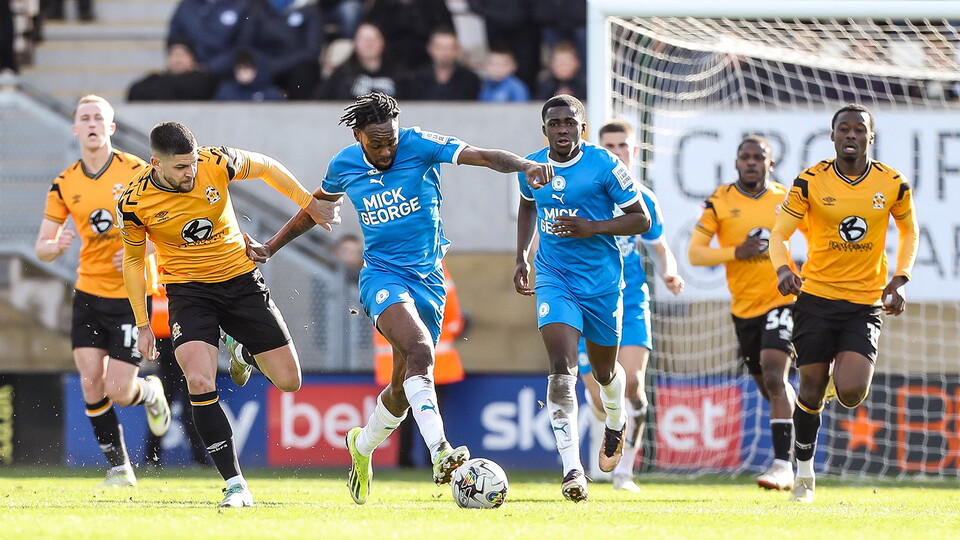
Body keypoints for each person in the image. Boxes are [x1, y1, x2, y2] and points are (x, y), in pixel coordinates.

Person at [243, 92, 552, 505]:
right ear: (358, 136)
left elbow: (482, 156)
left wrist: (526, 164)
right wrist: (271, 246)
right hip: (381, 277)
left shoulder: (420, 144)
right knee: (422, 348)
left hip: (429, 281)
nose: (387, 149)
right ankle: (441, 451)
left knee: (402, 389)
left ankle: (363, 445)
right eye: (376, 143)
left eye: (391, 140)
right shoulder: (344, 165)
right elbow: (314, 210)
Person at [116, 121, 340, 507]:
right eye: (181, 167)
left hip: (240, 281)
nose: (191, 172)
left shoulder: (216, 161)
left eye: (192, 163)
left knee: (289, 381)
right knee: (199, 378)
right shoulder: (133, 202)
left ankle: (240, 350)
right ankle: (235, 484)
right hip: (188, 292)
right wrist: (141, 323)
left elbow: (266, 166)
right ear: (156, 164)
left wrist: (309, 201)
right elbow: (134, 263)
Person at [769, 103, 919, 503]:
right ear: (833, 135)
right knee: (812, 391)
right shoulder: (810, 181)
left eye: (859, 130)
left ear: (871, 137)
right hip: (815, 297)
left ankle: (839, 382)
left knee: (851, 392)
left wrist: (900, 279)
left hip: (865, 301)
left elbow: (909, 232)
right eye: (843, 129)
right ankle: (803, 474)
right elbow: (779, 234)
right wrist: (784, 269)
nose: (851, 135)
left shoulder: (892, 183)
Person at [514, 94, 651, 502]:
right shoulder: (532, 167)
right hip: (555, 278)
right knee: (562, 370)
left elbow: (640, 217)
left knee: (607, 374)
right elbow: (527, 207)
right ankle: (573, 469)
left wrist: (592, 227)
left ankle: (616, 418)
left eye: (569, 123)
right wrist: (522, 255)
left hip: (603, 284)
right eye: (554, 124)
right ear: (545, 130)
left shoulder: (604, 165)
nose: (561, 130)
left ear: (581, 127)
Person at [34, 95, 171, 487]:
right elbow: (43, 245)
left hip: (131, 296)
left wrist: (139, 249)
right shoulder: (64, 183)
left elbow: (167, 223)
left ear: (110, 128)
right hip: (89, 293)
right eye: (85, 118)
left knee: (119, 389)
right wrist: (52, 248)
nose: (92, 123)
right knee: (91, 381)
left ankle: (148, 392)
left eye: (99, 118)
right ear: (75, 129)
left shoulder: (137, 170)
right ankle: (119, 468)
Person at [688, 135, 801, 491]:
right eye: (745, 157)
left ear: (770, 163)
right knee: (770, 388)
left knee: (773, 373)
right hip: (744, 309)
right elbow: (695, 254)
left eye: (759, 157)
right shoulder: (720, 201)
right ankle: (804, 412)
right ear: (737, 163)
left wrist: (807, 275)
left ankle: (783, 464)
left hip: (782, 300)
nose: (751, 162)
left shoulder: (787, 198)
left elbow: (816, 237)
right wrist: (736, 252)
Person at [580, 120, 684, 491]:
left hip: (631, 297)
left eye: (623, 145)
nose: (617, 152)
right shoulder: (584, 192)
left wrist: (669, 273)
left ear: (634, 151)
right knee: (599, 393)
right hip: (588, 299)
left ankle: (624, 470)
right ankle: (602, 433)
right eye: (610, 146)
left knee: (633, 383)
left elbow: (659, 248)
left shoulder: (644, 197)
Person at [234, 0, 323, 100]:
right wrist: (262, 63)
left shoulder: (310, 10)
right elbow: (245, 43)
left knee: (305, 71)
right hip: (263, 64)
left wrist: (278, 65)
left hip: (295, 65)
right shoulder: (257, 8)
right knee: (241, 65)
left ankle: (301, 112)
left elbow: (312, 51)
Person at [313, 22, 401, 100]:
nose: (369, 44)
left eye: (374, 39)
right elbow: (319, 102)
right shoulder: (342, 74)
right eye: (363, 39)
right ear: (355, 43)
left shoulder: (398, 73)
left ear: (383, 42)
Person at [167, 0, 250, 78]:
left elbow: (245, 44)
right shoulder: (187, 5)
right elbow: (174, 40)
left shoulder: (242, 5)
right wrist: (184, 61)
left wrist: (211, 67)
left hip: (228, 75)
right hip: (189, 75)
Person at [127, 38, 220, 102]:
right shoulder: (154, 80)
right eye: (174, 54)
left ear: (192, 58)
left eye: (182, 55)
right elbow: (134, 92)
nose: (177, 60)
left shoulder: (204, 80)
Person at [404, 25, 480, 101]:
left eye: (450, 48)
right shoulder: (417, 78)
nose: (445, 53)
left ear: (457, 50)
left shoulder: (470, 79)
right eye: (440, 48)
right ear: (430, 49)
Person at [213, 50, 285, 102]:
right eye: (239, 69)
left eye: (247, 70)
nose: (243, 74)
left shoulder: (271, 94)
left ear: (257, 70)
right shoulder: (226, 92)